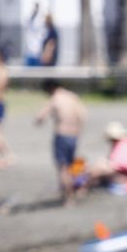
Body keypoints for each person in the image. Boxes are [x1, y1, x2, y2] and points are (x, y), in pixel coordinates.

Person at [35, 79, 86, 207]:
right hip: (74, 135)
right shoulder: (72, 96)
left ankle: (69, 197)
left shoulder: (55, 98)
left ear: (50, 89)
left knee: (62, 167)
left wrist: (38, 120)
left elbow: (41, 116)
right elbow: (82, 115)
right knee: (72, 164)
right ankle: (75, 189)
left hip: (62, 135)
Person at [82, 121, 127, 189]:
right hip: (126, 172)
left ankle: (85, 185)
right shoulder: (123, 143)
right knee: (100, 166)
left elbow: (115, 165)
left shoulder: (122, 145)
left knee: (99, 169)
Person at [23, 3, 46, 68]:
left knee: (37, 73)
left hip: (38, 52)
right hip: (29, 52)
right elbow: (26, 25)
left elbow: (43, 34)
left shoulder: (41, 19)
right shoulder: (30, 18)